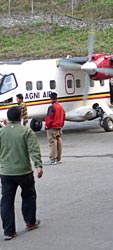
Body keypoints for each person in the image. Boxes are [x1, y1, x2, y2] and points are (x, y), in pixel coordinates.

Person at [0, 106, 43, 241]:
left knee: (6, 201)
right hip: (24, 171)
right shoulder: (26, 131)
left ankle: (8, 232)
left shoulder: (1, 132)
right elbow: (33, 149)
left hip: (6, 173)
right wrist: (38, 165)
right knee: (29, 196)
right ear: (20, 117)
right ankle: (30, 222)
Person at [44, 92, 66, 165]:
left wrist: (47, 126)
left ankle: (53, 159)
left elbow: (49, 118)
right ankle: (59, 158)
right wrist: (61, 124)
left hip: (52, 127)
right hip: (59, 127)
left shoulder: (51, 107)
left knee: (52, 142)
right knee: (59, 141)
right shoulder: (60, 107)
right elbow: (63, 116)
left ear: (51, 99)